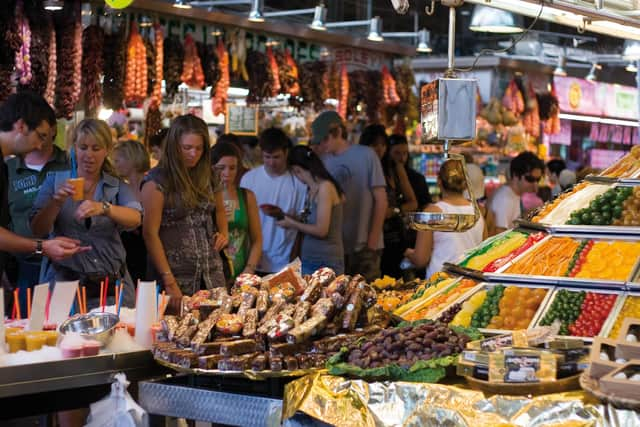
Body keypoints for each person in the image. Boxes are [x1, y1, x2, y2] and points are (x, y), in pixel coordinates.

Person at [30, 118, 141, 307]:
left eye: (96, 148)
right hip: (65, 289)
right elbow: (37, 230)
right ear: (74, 147)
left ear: (107, 150)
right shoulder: (55, 181)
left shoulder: (116, 185)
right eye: (83, 147)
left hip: (111, 289)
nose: (88, 155)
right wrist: (56, 202)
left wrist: (105, 208)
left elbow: (136, 218)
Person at [0, 92, 87, 286]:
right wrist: (42, 246)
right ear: (21, 126)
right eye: (40, 136)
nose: (40, 145)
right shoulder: (9, 167)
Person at [142, 115, 228, 307]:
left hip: (212, 273)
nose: (193, 154)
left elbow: (220, 210)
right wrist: (168, 279)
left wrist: (224, 232)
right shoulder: (157, 181)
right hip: (175, 275)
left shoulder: (210, 175)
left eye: (199, 148)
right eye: (187, 148)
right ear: (174, 146)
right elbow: (150, 233)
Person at [311, 111, 388, 282]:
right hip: (336, 247)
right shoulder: (323, 160)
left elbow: (381, 200)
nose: (323, 145)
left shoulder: (366, 155)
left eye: (325, 139)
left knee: (369, 295)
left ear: (337, 132)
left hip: (365, 244)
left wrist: (372, 241)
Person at [7, 117, 68, 312]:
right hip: (21, 266)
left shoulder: (71, 163)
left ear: (53, 130)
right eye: (35, 134)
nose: (38, 142)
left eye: (43, 135)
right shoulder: (8, 169)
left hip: (64, 269)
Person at [240, 128, 306, 275]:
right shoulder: (249, 179)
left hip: (284, 261)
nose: (271, 162)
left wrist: (283, 216)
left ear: (286, 153)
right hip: (254, 260)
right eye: (267, 157)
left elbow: (303, 223)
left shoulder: (298, 183)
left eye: (276, 157)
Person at [404, 159, 487, 278]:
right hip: (470, 284)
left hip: (440, 285)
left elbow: (421, 259)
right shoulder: (477, 212)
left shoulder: (432, 212)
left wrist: (406, 252)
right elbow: (484, 252)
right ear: (465, 183)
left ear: (439, 181)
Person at [276, 145, 344, 275]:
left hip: (326, 262)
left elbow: (321, 230)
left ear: (298, 170)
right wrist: (292, 218)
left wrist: (292, 224)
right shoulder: (311, 189)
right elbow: (310, 222)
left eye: (296, 172)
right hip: (309, 259)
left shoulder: (325, 187)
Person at [360, 125, 417, 278]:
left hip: (392, 236)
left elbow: (413, 203)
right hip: (367, 234)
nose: (379, 149)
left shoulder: (394, 168)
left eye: (383, 144)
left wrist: (393, 211)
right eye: (374, 144)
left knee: (393, 279)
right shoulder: (360, 168)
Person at [212, 141, 262, 278]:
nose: (227, 173)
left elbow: (257, 239)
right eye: (221, 168)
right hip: (213, 272)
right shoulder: (205, 197)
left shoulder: (247, 196)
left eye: (232, 168)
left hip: (241, 272)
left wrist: (249, 269)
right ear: (211, 167)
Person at [113, 140, 150, 282]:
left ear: (131, 160)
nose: (114, 165)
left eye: (117, 160)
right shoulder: (121, 189)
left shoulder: (149, 186)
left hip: (144, 254)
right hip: (127, 255)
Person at [489, 151, 544, 234]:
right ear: (515, 175)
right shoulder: (504, 199)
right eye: (530, 179)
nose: (535, 184)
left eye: (538, 180)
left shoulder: (514, 195)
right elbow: (498, 235)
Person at [387, 134, 431, 210]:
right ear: (388, 153)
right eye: (397, 153)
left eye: (405, 153)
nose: (402, 158)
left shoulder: (418, 179)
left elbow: (426, 206)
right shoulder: (382, 176)